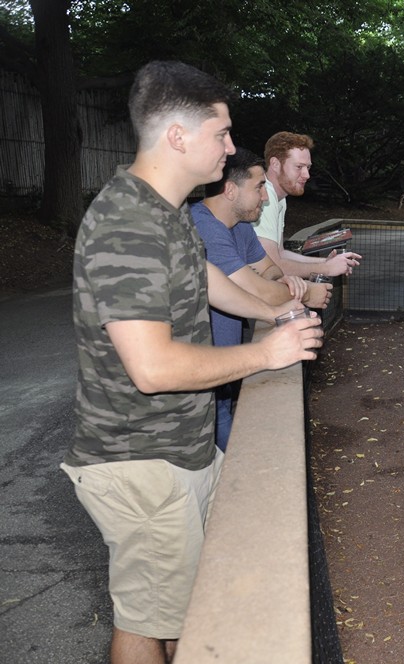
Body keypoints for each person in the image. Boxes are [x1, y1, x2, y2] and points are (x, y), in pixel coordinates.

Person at [61, 60, 323, 664]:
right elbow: (151, 368)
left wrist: (275, 312)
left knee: (186, 609)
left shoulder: (167, 208)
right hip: (139, 463)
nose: (231, 147)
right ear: (177, 136)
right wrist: (263, 354)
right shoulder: (126, 224)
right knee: (147, 621)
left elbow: (205, 279)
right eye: (221, 134)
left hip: (181, 448)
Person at [192, 147, 333, 451]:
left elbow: (267, 271)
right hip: (202, 383)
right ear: (230, 190)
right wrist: (306, 292)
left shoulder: (240, 226)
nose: (266, 197)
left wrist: (283, 280)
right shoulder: (204, 228)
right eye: (258, 187)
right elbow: (255, 290)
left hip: (224, 375)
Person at [252, 131, 362, 278]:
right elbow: (273, 265)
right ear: (275, 164)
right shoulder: (265, 198)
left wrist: (326, 262)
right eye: (299, 167)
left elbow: (281, 253)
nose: (307, 175)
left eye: (308, 167)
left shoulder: (279, 198)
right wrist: (326, 268)